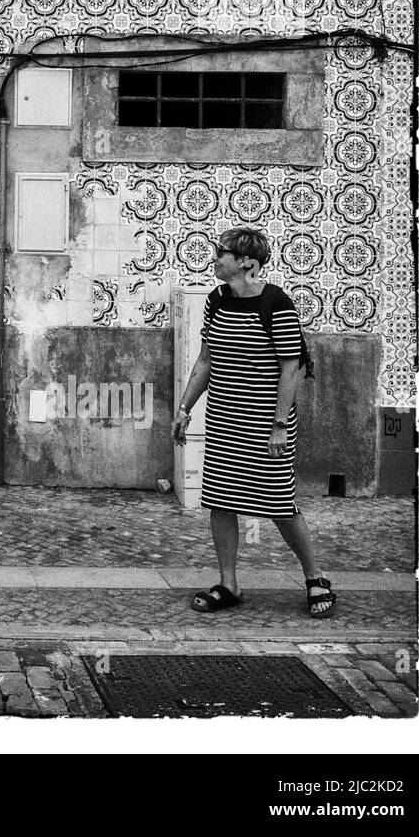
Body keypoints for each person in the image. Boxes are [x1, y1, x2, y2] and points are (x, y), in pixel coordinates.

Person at [172, 228, 336, 618]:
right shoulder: (217, 299)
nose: (214, 258)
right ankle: (229, 585)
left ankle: (315, 577)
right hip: (225, 419)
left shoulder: (276, 303)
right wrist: (184, 408)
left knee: (279, 503)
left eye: (220, 253)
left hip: (267, 422)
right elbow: (205, 360)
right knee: (221, 501)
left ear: (246, 262)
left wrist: (279, 425)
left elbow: (290, 367)